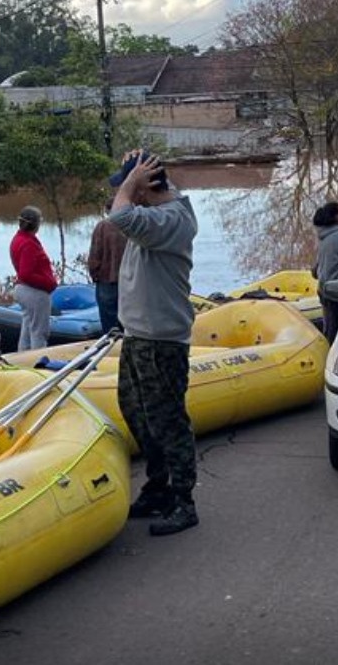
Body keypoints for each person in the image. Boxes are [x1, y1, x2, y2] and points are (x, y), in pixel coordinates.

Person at [109, 150, 199, 536]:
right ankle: (157, 486)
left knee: (168, 420)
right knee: (137, 412)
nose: (124, 192)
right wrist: (138, 168)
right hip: (137, 335)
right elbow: (123, 211)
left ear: (146, 187)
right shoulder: (155, 215)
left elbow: (119, 215)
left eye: (130, 186)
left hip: (162, 340)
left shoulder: (171, 220)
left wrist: (134, 182)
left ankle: (183, 500)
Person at [9, 206, 57, 351]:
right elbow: (26, 273)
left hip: (24, 290)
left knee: (27, 328)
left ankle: (23, 358)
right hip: (34, 292)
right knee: (39, 332)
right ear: (36, 224)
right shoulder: (28, 244)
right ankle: (39, 362)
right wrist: (49, 283)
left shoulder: (18, 239)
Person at [88, 197, 127, 335]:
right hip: (129, 282)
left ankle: (111, 352)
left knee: (109, 327)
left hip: (106, 281)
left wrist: (94, 274)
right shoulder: (131, 225)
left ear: (107, 209)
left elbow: (95, 254)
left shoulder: (102, 226)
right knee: (128, 324)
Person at [312, 202, 338, 343]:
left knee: (328, 330)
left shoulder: (322, 239)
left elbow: (315, 270)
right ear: (337, 217)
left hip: (323, 291)